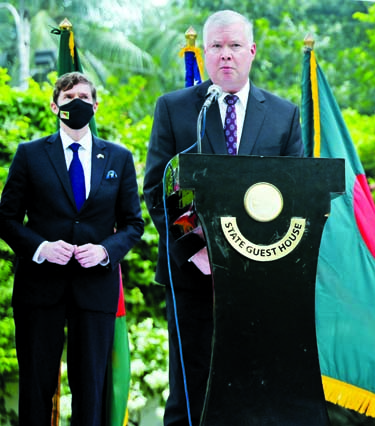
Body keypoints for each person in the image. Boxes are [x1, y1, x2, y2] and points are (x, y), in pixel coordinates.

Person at [142, 9, 303, 425]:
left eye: (234, 46)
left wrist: (258, 253)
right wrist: (198, 249)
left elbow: (297, 193)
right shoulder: (177, 109)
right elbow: (159, 190)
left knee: (252, 386)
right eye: (216, 46)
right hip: (195, 275)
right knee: (191, 390)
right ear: (205, 53)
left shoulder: (284, 115)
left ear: (251, 52)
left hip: (260, 275)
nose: (225, 55)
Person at [0, 72, 144, 425]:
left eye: (83, 97)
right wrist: (41, 248)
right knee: (36, 386)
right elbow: (6, 219)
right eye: (68, 98)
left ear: (95, 106)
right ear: (55, 106)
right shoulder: (30, 155)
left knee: (91, 389)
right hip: (39, 289)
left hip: (95, 291)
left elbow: (133, 224)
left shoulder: (119, 158)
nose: (76, 103)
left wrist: (105, 251)